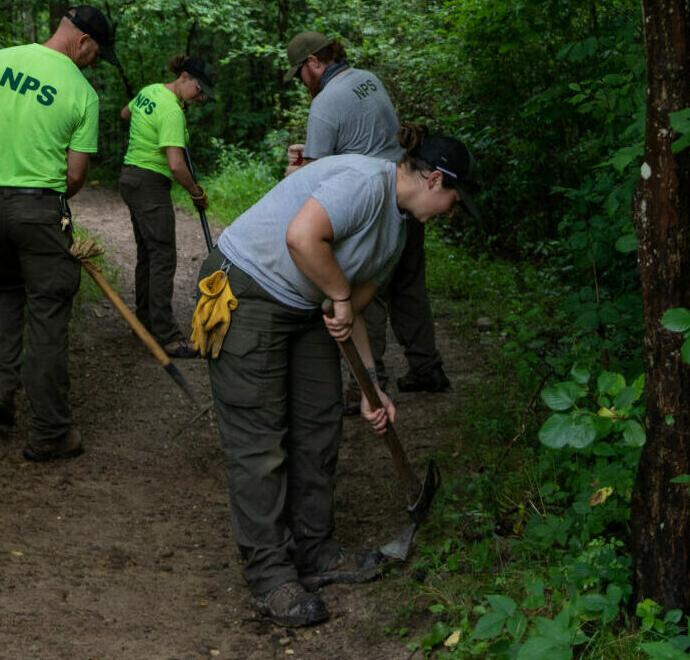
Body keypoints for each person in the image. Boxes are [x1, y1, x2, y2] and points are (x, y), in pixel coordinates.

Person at [195, 126, 482, 627]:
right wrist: (342, 297)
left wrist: (371, 386)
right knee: (260, 443)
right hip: (252, 289)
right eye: (455, 201)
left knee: (320, 424)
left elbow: (349, 306)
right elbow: (303, 238)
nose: (452, 213)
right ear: (435, 180)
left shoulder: (399, 230)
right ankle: (270, 576)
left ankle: (316, 550)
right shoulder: (365, 183)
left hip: (307, 305)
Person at [0, 4, 117, 462]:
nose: (94, 62)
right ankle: (51, 430)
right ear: (83, 42)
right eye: (97, 54)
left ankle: (0, 394)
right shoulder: (82, 92)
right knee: (47, 310)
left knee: (2, 292)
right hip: (37, 211)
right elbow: (74, 177)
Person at [282, 31, 454, 399]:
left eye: (300, 74)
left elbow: (316, 176)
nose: (302, 83)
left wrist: (293, 172)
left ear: (313, 63)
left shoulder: (325, 103)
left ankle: (366, 385)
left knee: (366, 292)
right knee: (409, 285)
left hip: (372, 206)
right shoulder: (368, 80)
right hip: (412, 190)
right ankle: (427, 368)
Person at [119, 55, 215, 358]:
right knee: (162, 256)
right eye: (199, 90)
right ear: (184, 77)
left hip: (130, 178)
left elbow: (125, 113)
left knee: (148, 253)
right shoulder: (172, 110)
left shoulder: (150, 92)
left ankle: (144, 322)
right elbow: (176, 165)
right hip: (149, 183)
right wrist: (195, 191)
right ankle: (167, 336)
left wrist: (145, 127)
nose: (200, 98)